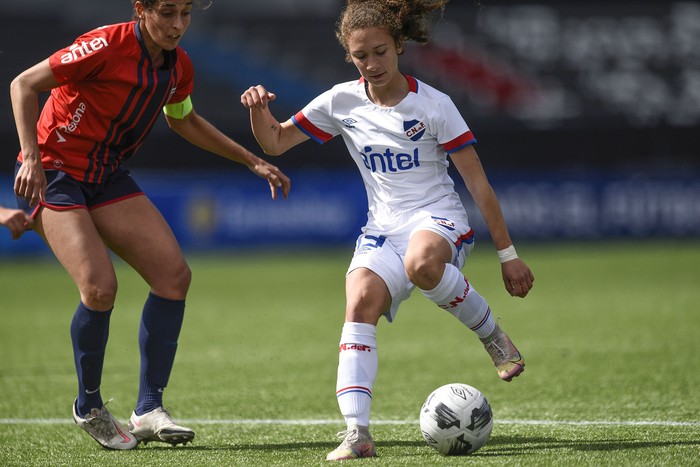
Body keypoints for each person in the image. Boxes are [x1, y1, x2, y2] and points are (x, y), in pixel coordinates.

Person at [241, 0, 534, 460]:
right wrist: (257, 110)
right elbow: (275, 141)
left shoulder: (436, 105)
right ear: (349, 56)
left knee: (421, 263)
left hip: (438, 217)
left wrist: (508, 255)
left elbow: (478, 184)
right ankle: (357, 435)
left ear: (399, 45)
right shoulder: (341, 101)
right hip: (382, 227)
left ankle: (493, 336)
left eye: (380, 51)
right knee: (358, 302)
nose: (372, 64)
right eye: (361, 56)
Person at [11, 0, 290, 451]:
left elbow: (183, 120)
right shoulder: (104, 45)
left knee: (173, 276)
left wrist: (251, 159)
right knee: (100, 288)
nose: (177, 25)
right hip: (57, 171)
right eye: (166, 13)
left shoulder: (179, 66)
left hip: (105, 175)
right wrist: (31, 158)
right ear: (141, 9)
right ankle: (90, 406)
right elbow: (23, 84)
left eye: (185, 13)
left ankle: (148, 409)